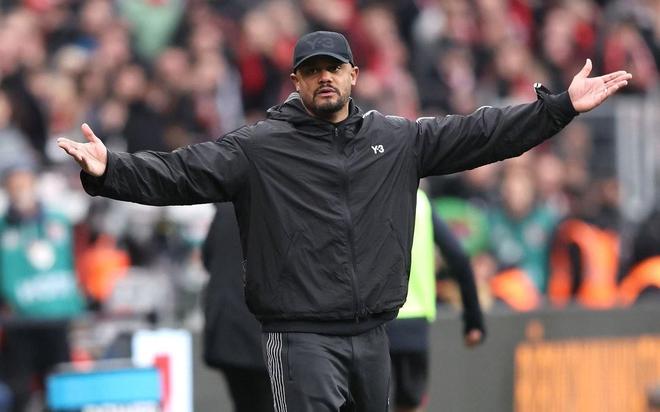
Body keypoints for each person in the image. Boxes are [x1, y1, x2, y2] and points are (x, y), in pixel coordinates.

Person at [57, 30, 632, 412]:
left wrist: (559, 109)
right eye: (311, 71)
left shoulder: (396, 139)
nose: (324, 77)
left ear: (354, 74)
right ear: (296, 83)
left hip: (373, 334)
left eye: (333, 68)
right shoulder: (260, 148)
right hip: (300, 335)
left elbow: (483, 134)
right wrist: (112, 170)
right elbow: (181, 173)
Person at [386, 189, 484, 412]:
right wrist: (473, 320)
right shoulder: (420, 203)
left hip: (373, 322)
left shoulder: (366, 193)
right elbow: (458, 257)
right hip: (414, 323)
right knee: (409, 405)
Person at [0, 164, 85, 412]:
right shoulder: (4, 228)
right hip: (19, 325)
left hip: (57, 321)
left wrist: (76, 303)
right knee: (20, 392)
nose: (21, 192)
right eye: (15, 187)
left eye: (25, 185)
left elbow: (72, 263)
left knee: (62, 390)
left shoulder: (58, 221)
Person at [201, 203, 273, 412]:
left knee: (245, 402)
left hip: (226, 331)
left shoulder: (226, 211)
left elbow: (208, 259)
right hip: (261, 333)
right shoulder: (278, 207)